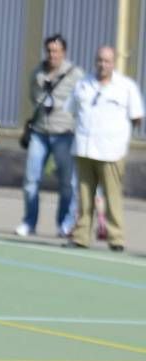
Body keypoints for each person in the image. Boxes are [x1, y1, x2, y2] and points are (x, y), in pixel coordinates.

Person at [64, 46, 144, 252]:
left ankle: (116, 238)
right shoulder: (83, 84)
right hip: (84, 148)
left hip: (112, 151)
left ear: (114, 62)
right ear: (95, 61)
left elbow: (137, 116)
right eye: (100, 60)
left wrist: (119, 135)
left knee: (112, 196)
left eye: (107, 61)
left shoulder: (125, 86)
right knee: (84, 196)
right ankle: (81, 236)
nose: (103, 64)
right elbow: (71, 110)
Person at [16, 34, 83, 238]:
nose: (52, 55)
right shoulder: (37, 72)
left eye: (56, 51)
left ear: (64, 52)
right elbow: (32, 96)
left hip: (64, 133)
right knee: (31, 179)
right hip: (39, 132)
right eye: (49, 50)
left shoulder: (75, 74)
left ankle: (64, 223)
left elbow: (82, 102)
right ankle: (29, 222)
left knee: (67, 183)